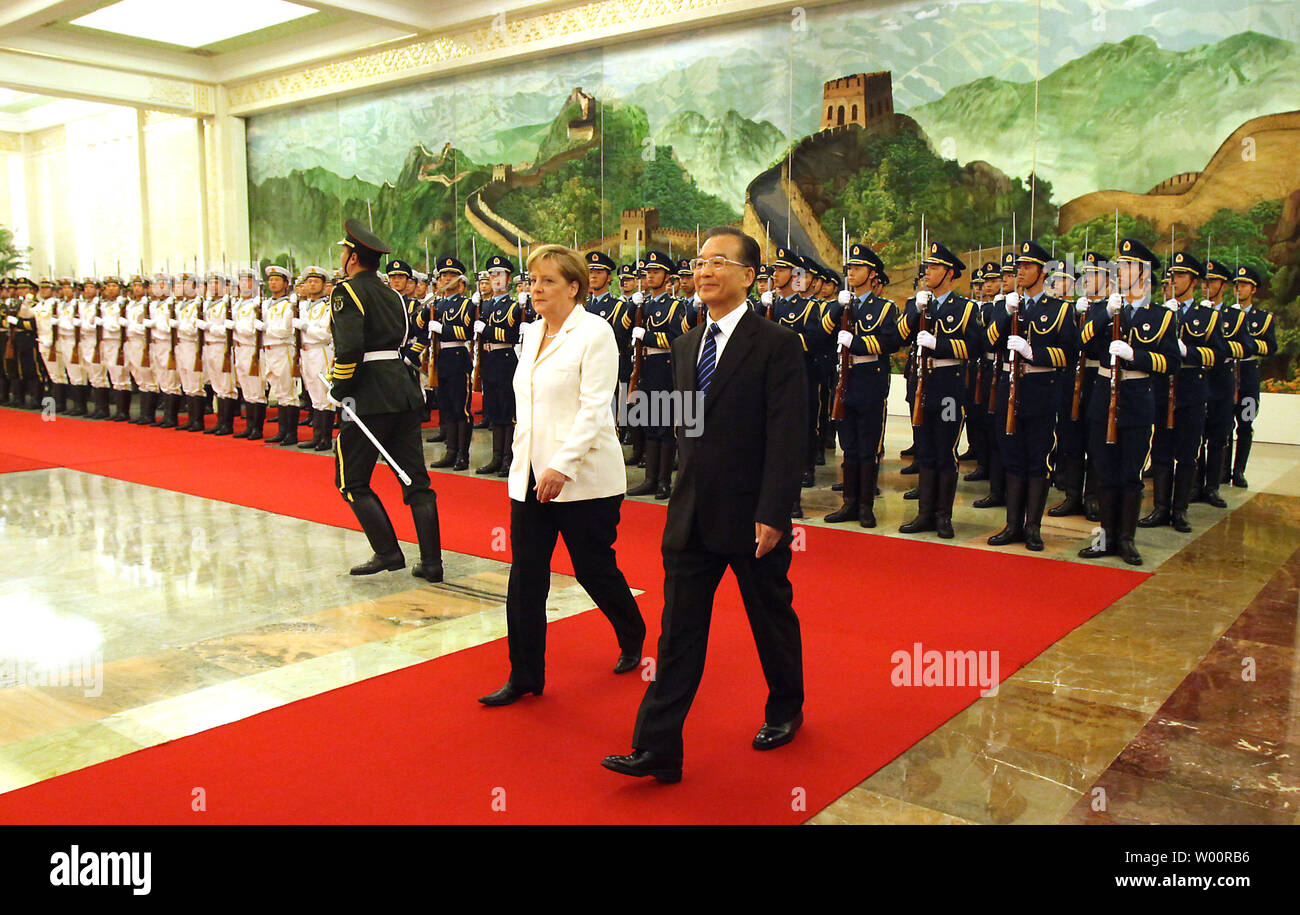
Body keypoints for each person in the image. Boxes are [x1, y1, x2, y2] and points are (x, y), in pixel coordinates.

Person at [603, 225, 806, 783]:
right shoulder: (689, 342)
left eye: (718, 261)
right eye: (698, 262)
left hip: (750, 514)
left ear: (748, 275)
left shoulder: (777, 344)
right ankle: (658, 746)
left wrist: (773, 511)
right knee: (678, 630)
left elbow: (787, 435)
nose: (703, 271)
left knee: (769, 616)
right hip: (691, 512)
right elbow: (688, 427)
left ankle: (786, 707)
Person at [479, 244, 645, 706]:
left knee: (593, 568)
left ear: (575, 287)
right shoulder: (531, 334)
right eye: (532, 281)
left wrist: (561, 466)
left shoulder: (595, 334)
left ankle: (632, 630)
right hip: (530, 475)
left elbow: (595, 410)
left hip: (584, 478)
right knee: (526, 577)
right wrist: (526, 461)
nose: (536, 289)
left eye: (548, 281)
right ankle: (525, 676)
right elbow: (528, 405)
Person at [330, 218, 443, 581]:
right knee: (416, 481)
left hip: (368, 395)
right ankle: (431, 562)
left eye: (345, 251)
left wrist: (339, 388)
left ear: (352, 257)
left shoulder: (346, 293)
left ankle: (388, 551)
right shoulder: (394, 295)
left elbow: (349, 350)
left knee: (352, 481)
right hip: (403, 390)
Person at [1077, 238, 1180, 566]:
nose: (1119, 272)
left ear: (1144, 275)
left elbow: (1171, 362)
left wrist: (1137, 356)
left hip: (1137, 398)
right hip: (1103, 393)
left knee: (1130, 474)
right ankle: (1104, 537)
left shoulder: (1161, 317)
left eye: (1127, 267)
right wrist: (1105, 314)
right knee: (1104, 470)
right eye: (1118, 267)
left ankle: (1126, 539)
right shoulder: (1102, 309)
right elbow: (1081, 344)